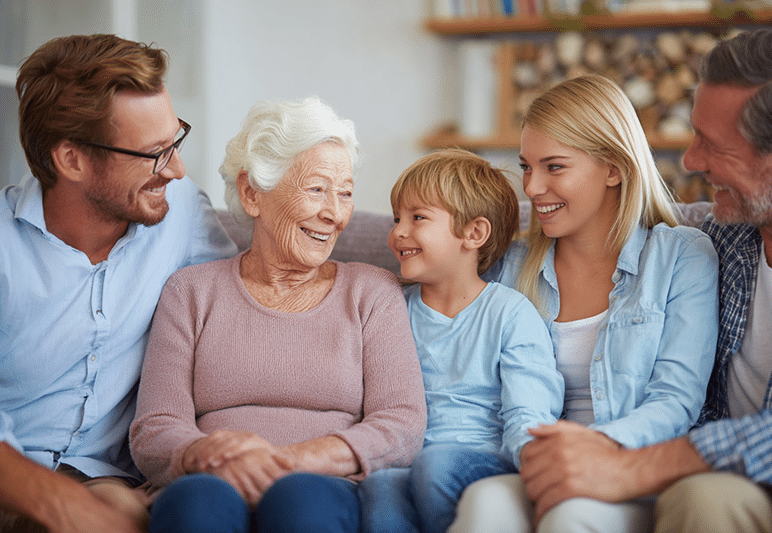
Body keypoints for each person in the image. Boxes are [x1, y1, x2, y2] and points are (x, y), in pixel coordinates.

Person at [495, 28, 772, 533]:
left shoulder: (689, 250)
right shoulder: (723, 239)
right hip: (720, 480)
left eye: (715, 145)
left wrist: (631, 462)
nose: (691, 161)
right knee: (704, 500)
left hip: (731, 466)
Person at [129, 96, 427, 533]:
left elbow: (401, 422)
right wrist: (209, 456)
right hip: (209, 481)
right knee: (198, 504)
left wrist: (287, 462)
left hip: (321, 484)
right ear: (252, 193)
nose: (334, 214)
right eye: (317, 189)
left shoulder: (371, 292)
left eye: (344, 194)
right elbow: (155, 427)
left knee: (300, 500)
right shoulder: (191, 291)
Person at [447, 74, 719, 533]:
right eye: (526, 167)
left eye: (554, 167)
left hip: (633, 475)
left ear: (613, 167)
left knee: (569, 516)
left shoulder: (681, 256)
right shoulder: (511, 269)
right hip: (536, 464)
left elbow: (675, 401)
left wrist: (589, 449)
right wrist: (537, 452)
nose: (531, 188)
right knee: (483, 503)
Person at [0, 34, 237, 533]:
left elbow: (238, 310)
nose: (176, 169)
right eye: (153, 153)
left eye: (176, 140)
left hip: (113, 481)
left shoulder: (180, 214)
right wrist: (71, 511)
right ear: (71, 159)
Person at [357, 148, 564, 533]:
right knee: (381, 483)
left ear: (474, 233)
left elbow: (529, 411)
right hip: (411, 459)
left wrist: (535, 461)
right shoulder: (391, 310)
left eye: (417, 217)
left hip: (486, 458)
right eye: (397, 218)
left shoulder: (510, 312)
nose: (398, 232)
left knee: (434, 465)